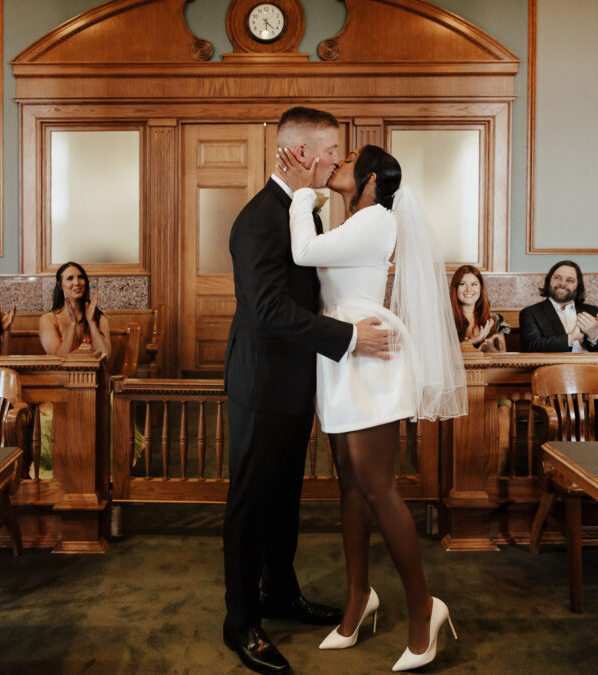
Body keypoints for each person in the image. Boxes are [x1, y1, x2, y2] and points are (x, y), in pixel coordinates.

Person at [276, 143, 466, 671]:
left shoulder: (376, 217)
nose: (338, 163)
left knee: (378, 486)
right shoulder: (353, 220)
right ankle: (359, 598)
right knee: (350, 485)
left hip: (370, 354)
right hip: (342, 349)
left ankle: (425, 607)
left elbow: (303, 254)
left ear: (371, 177)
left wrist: (299, 195)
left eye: (349, 159)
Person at [222, 107, 391, 675]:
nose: (335, 161)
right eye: (329, 151)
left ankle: (280, 592)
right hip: (262, 381)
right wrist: (347, 336)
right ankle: (240, 622)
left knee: (284, 496)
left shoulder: (301, 213)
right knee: (251, 503)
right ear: (299, 154)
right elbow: (268, 310)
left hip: (297, 380)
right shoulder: (257, 220)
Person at [518, 260, 598, 352]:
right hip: (552, 370)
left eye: (570, 280)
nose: (562, 284)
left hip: (591, 369)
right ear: (549, 281)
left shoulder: (593, 312)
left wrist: (594, 334)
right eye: (557, 278)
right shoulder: (531, 313)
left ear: (578, 286)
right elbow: (531, 347)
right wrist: (570, 338)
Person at [38, 261, 112, 360]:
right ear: (60, 285)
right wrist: (73, 324)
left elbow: (105, 357)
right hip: (62, 375)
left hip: (94, 374)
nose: (77, 283)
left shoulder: (99, 318)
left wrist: (92, 323)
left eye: (80, 277)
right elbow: (58, 360)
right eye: (70, 278)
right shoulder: (48, 320)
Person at [450, 264, 508, 352]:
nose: (468, 289)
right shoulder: (445, 319)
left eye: (474, 284)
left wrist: (490, 349)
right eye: (462, 284)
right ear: (455, 288)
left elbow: (502, 358)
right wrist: (475, 340)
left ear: (481, 288)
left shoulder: (496, 320)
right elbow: (442, 353)